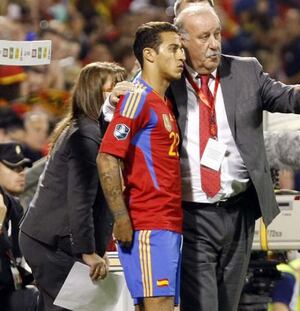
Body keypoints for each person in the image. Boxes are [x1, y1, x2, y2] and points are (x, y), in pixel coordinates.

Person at [106, 4, 300, 310]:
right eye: (203, 37)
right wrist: (113, 100)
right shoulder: (168, 75)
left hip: (239, 211)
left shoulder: (246, 70)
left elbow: (286, 98)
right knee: (202, 304)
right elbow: (131, 97)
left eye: (217, 34)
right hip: (191, 213)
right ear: (182, 42)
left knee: (229, 303)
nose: (214, 44)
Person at [19, 61, 127, 311]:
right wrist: (87, 252)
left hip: (50, 239)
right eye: (114, 90)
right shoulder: (85, 135)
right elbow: (80, 199)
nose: (121, 96)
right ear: (94, 93)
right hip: (51, 244)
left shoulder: (89, 128)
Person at [97, 22, 185, 311]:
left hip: (167, 222)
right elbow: (107, 157)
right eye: (173, 48)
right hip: (149, 223)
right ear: (149, 55)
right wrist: (121, 216)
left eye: (182, 48)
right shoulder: (137, 97)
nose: (182, 56)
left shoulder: (162, 103)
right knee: (158, 304)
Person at [0, 143, 38, 311]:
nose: (21, 173)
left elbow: (18, 256)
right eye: (13, 168)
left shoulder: (15, 207)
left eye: (22, 167)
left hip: (11, 289)